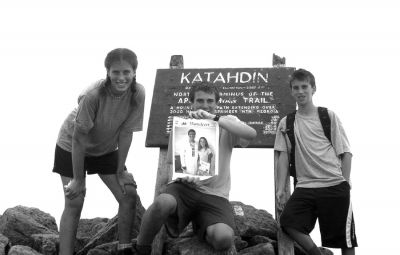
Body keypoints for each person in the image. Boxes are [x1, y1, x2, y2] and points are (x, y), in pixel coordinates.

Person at [134, 82, 257, 255]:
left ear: (216, 103)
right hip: (184, 189)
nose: (205, 105)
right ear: (191, 102)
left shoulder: (227, 122)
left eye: (210, 101)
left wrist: (214, 119)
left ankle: (201, 225)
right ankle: (141, 247)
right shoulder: (182, 126)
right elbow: (174, 163)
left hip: (216, 195)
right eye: (200, 101)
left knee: (224, 239)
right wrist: (182, 177)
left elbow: (251, 134)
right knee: (161, 203)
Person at [52, 48, 145, 255]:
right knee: (75, 200)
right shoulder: (93, 95)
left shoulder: (138, 93)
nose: (121, 77)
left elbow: (126, 133)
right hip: (72, 145)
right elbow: (78, 138)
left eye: (126, 72)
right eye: (116, 72)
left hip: (105, 147)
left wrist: (120, 171)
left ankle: (124, 248)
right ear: (108, 72)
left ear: (134, 72)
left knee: (128, 193)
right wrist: (78, 179)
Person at [275, 69, 357, 255]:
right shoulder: (286, 122)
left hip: (334, 183)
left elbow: (346, 152)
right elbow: (283, 156)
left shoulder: (328, 116)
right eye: (296, 88)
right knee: (288, 222)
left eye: (305, 87)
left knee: (345, 241)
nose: (300, 91)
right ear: (291, 91)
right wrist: (280, 189)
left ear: (313, 89)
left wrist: (345, 183)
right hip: (305, 186)